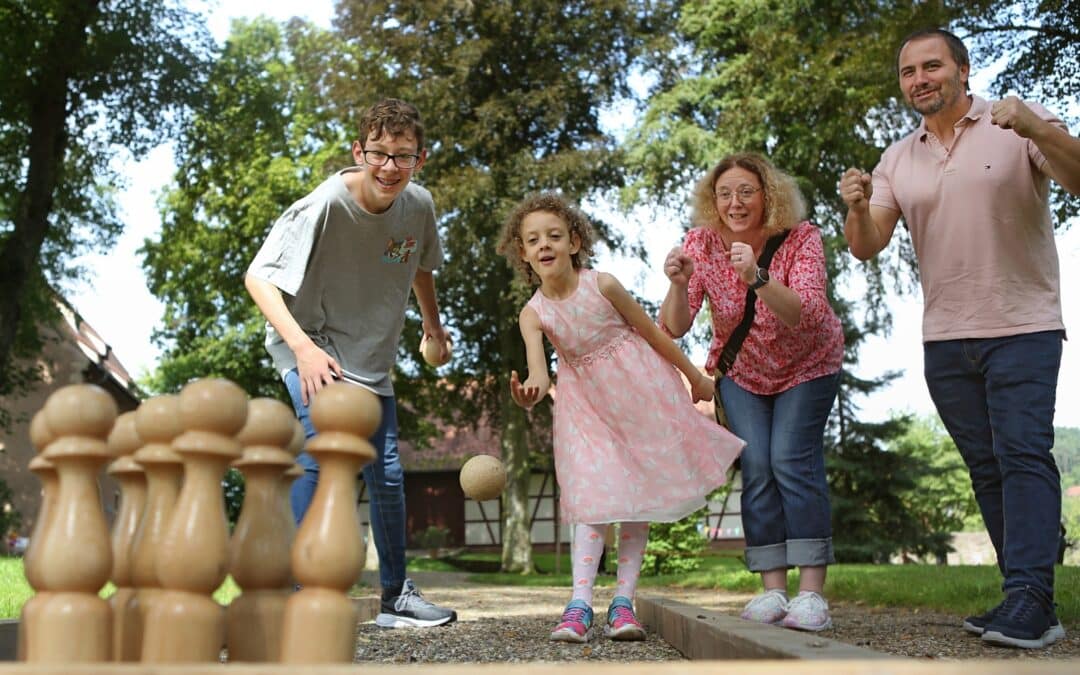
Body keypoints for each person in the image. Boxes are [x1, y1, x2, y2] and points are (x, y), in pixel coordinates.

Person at [840, 28, 1080, 649]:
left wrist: (1036, 128)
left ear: (962, 70)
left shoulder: (1016, 124)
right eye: (908, 72)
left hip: (1023, 323)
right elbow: (867, 246)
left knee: (1023, 453)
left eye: (932, 66)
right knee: (985, 466)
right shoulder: (898, 157)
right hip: (945, 337)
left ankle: (1032, 598)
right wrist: (857, 206)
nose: (920, 79)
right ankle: (1021, 597)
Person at [245, 98, 457, 628]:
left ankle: (395, 598)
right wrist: (303, 349)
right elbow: (258, 278)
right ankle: (298, 596)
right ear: (359, 151)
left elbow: (419, 265)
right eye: (379, 154)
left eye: (403, 156)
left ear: (420, 159)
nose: (389, 167)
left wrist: (431, 324)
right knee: (322, 451)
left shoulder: (419, 207)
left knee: (385, 472)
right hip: (309, 339)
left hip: (369, 354)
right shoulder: (324, 205)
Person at [497, 193, 744, 643]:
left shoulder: (603, 284)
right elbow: (537, 372)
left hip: (639, 394)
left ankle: (623, 604)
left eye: (554, 235)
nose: (544, 245)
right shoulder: (532, 313)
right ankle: (578, 606)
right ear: (523, 253)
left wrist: (694, 378)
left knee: (637, 495)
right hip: (584, 408)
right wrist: (529, 394)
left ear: (574, 242)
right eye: (533, 240)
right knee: (591, 497)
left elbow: (652, 333)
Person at [660, 152, 844, 632]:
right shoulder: (701, 241)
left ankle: (811, 596)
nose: (734, 203)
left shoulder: (800, 238)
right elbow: (675, 325)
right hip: (742, 372)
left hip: (808, 365)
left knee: (791, 460)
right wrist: (679, 285)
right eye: (724, 194)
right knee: (758, 466)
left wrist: (756, 277)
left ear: (768, 195)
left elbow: (802, 313)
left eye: (746, 191)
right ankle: (772, 591)